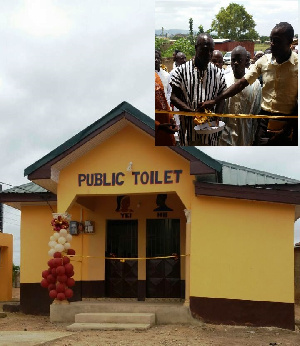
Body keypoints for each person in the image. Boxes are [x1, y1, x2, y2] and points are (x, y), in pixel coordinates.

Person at [200, 22, 298, 146]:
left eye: (277, 41)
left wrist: (286, 130)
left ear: (289, 42)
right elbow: (241, 83)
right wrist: (215, 100)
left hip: (290, 121)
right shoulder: (263, 62)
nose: (272, 44)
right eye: (271, 40)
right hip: (264, 119)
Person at [170, 33, 226, 145]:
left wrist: (217, 115)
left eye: (211, 50)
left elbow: (222, 97)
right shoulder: (180, 71)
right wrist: (191, 113)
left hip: (210, 133)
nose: (209, 54)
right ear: (196, 48)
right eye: (205, 50)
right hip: (188, 131)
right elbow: (173, 97)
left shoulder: (218, 73)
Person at [219, 46, 262, 146]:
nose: (236, 63)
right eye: (233, 60)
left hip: (245, 133)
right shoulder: (224, 80)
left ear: (246, 61)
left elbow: (257, 111)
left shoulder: (255, 84)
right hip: (224, 132)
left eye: (239, 60)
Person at [155, 72, 177, 146]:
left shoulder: (156, 76)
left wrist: (171, 118)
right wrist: (159, 126)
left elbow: (163, 99)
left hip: (166, 132)